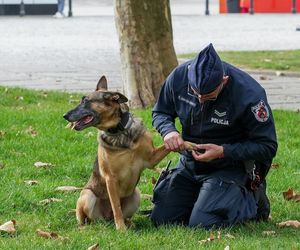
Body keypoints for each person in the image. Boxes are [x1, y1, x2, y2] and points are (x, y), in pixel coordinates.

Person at [150, 43, 277, 229]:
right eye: (195, 93)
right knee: (162, 220)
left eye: (208, 96)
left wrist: (224, 151)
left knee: (203, 224)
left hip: (229, 166)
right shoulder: (178, 77)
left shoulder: (249, 94)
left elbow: (267, 146)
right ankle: (203, 198)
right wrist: (168, 130)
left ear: (224, 81)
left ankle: (252, 197)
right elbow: (160, 112)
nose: (200, 99)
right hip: (190, 163)